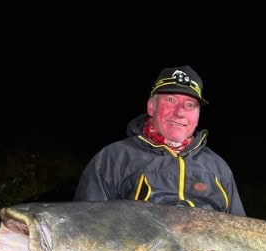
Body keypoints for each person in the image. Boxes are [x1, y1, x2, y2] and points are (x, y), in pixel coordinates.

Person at [74, 65, 246, 216]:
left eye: (190, 104)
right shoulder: (113, 159)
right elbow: (86, 227)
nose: (180, 112)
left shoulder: (218, 168)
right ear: (151, 106)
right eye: (171, 100)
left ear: (198, 115)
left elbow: (243, 235)